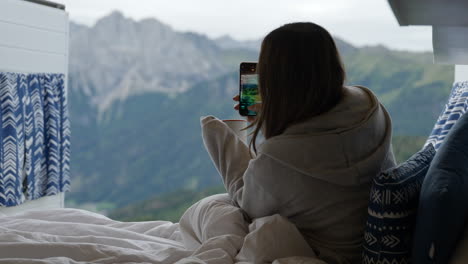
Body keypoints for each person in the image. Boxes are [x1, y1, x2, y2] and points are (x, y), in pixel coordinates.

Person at [201, 22, 395, 264]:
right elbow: (316, 139)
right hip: (363, 241)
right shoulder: (370, 107)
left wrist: (218, 136)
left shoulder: (278, 157)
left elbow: (248, 206)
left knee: (213, 207)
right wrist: (274, 113)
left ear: (275, 78)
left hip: (322, 254)